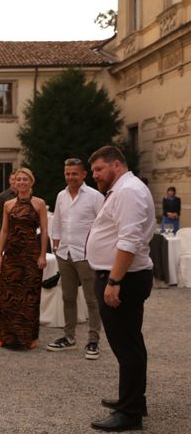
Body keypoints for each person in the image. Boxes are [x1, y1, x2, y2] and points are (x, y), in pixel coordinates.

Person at [86, 146, 155, 432]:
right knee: (130, 344)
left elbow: (129, 240)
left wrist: (114, 282)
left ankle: (130, 414)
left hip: (123, 279)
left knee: (126, 347)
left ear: (116, 164)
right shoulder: (123, 189)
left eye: (98, 170)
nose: (95, 176)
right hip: (120, 276)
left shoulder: (128, 191)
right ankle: (133, 400)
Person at [47, 158, 104, 359]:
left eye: (74, 173)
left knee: (92, 298)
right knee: (68, 297)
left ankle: (93, 340)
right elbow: (57, 221)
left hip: (86, 255)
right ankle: (69, 337)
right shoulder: (61, 196)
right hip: (65, 253)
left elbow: (103, 224)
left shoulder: (95, 197)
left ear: (83, 175)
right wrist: (55, 242)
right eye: (67, 174)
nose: (71, 177)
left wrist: (97, 249)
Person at [0, 167, 48, 349]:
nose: (21, 182)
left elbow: (44, 230)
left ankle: (28, 336)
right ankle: (4, 334)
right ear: (14, 182)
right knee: (8, 294)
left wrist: (42, 255)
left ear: (31, 182)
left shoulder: (39, 204)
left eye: (25, 179)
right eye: (19, 179)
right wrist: (0, 253)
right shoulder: (8, 204)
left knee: (29, 294)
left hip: (31, 251)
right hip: (12, 252)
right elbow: (5, 230)